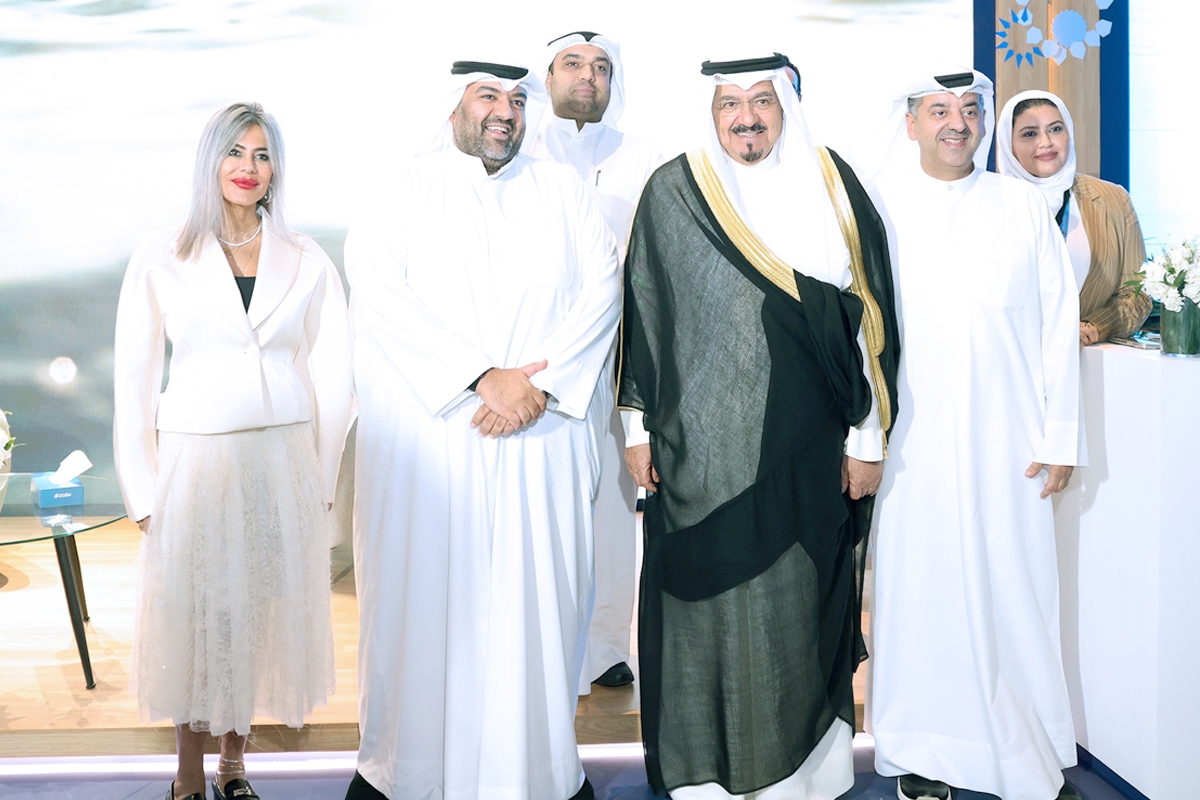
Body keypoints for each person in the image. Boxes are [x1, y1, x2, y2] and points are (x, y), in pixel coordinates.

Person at [619, 53, 899, 799]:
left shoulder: (833, 185)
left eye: (762, 101)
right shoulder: (674, 190)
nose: (746, 118)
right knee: (707, 599)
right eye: (730, 103)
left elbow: (869, 319)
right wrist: (637, 430)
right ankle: (709, 778)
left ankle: (804, 778)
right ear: (710, 113)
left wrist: (867, 439)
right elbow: (644, 315)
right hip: (700, 450)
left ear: (787, 107)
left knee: (800, 599)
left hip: (810, 444)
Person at [343, 59, 621, 800]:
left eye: (517, 99)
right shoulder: (403, 188)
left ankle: (535, 775)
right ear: (454, 106)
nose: (505, 111)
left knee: (537, 615)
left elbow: (603, 290)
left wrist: (537, 387)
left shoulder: (563, 190)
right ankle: (415, 776)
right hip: (438, 447)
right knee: (428, 614)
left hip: (541, 442)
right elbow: (381, 296)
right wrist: (481, 377)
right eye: (488, 95)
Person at [113, 102, 353, 800]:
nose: (248, 167)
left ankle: (233, 766)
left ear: (276, 169)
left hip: (280, 461)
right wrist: (142, 491)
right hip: (197, 462)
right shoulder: (162, 255)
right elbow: (133, 381)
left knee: (254, 617)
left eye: (262, 155)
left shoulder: (307, 257)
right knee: (195, 619)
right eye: (235, 152)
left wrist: (320, 479)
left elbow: (336, 373)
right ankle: (187, 774)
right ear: (210, 161)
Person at [863, 70, 1083, 800]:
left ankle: (1029, 746)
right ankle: (921, 751)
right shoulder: (879, 209)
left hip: (1010, 442)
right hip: (911, 446)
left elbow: (1056, 326)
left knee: (1016, 588)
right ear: (911, 124)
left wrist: (1060, 436)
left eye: (969, 109)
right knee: (918, 593)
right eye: (939, 109)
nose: (957, 122)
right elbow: (856, 336)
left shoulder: (1022, 206)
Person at [529, 29, 665, 691]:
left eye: (602, 67)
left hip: (616, 358)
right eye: (574, 64)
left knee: (613, 504)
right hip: (538, 363)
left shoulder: (644, 159)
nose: (588, 76)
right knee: (540, 503)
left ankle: (607, 646)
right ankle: (541, 644)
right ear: (548, 76)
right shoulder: (521, 152)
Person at [997, 89, 1152, 345]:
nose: (1046, 142)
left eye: (1055, 129)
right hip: (1009, 356)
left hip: (1087, 360)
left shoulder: (1113, 199)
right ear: (1008, 144)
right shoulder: (987, 204)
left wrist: (1093, 327)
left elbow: (1138, 293)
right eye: (1030, 134)